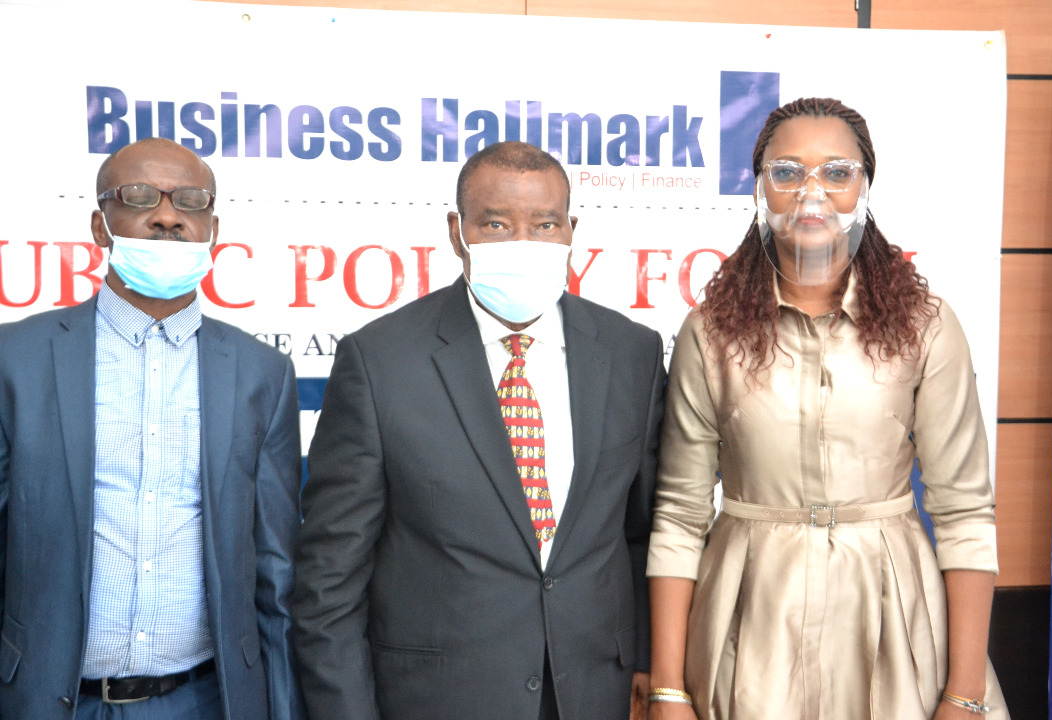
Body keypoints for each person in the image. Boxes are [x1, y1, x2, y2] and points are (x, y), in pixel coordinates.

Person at [646, 98, 1009, 720]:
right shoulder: (710, 332)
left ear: (864, 188)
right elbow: (679, 518)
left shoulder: (927, 327)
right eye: (787, 172)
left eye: (837, 173)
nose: (811, 192)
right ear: (760, 189)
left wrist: (965, 694)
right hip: (750, 613)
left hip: (891, 612)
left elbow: (965, 515)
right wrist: (668, 690)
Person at [293, 140, 665, 720]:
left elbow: (643, 533)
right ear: (455, 231)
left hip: (593, 694)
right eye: (496, 223)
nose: (524, 243)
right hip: (438, 698)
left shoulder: (632, 354)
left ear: (572, 229)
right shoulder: (381, 362)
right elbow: (328, 584)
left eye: (545, 224)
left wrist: (646, 666)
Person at [0, 137, 305, 720]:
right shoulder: (16, 360)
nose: (167, 216)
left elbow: (277, 572)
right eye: (139, 196)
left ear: (211, 225)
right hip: (49, 700)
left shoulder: (261, 374)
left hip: (205, 700)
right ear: (100, 223)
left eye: (190, 201)